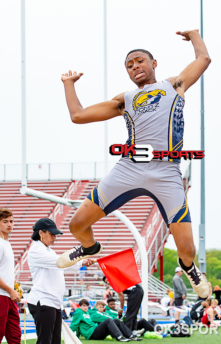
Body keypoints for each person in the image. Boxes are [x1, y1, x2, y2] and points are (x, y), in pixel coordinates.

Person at [57, 29, 211, 299]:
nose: (134, 67)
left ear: (154, 63)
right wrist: (68, 83)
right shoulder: (124, 100)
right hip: (129, 168)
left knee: (187, 249)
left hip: (166, 172)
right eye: (129, 65)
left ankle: (189, 268)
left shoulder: (174, 84)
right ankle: (90, 248)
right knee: (76, 225)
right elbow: (78, 116)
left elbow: (204, 59)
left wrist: (195, 35)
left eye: (139, 61)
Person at [27, 218, 93, 344]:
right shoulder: (36, 250)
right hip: (43, 300)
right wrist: (81, 254)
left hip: (53, 302)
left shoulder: (48, 250)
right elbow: (60, 262)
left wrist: (82, 262)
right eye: (52, 234)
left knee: (55, 341)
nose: (54, 237)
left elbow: (62, 262)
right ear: (41, 233)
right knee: (45, 341)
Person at [0, 208, 21, 344]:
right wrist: (10, 289)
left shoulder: (7, 244)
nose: (9, 224)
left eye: (12, 221)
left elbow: (5, 270)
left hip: (8, 294)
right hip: (2, 294)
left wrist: (15, 285)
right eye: (5, 221)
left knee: (15, 334)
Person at [103, 275, 143, 340]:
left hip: (135, 291)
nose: (107, 282)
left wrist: (121, 308)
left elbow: (121, 296)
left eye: (107, 280)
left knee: (129, 315)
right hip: (138, 290)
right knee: (133, 314)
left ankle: (128, 335)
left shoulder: (115, 282)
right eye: (106, 282)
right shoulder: (117, 280)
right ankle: (134, 333)